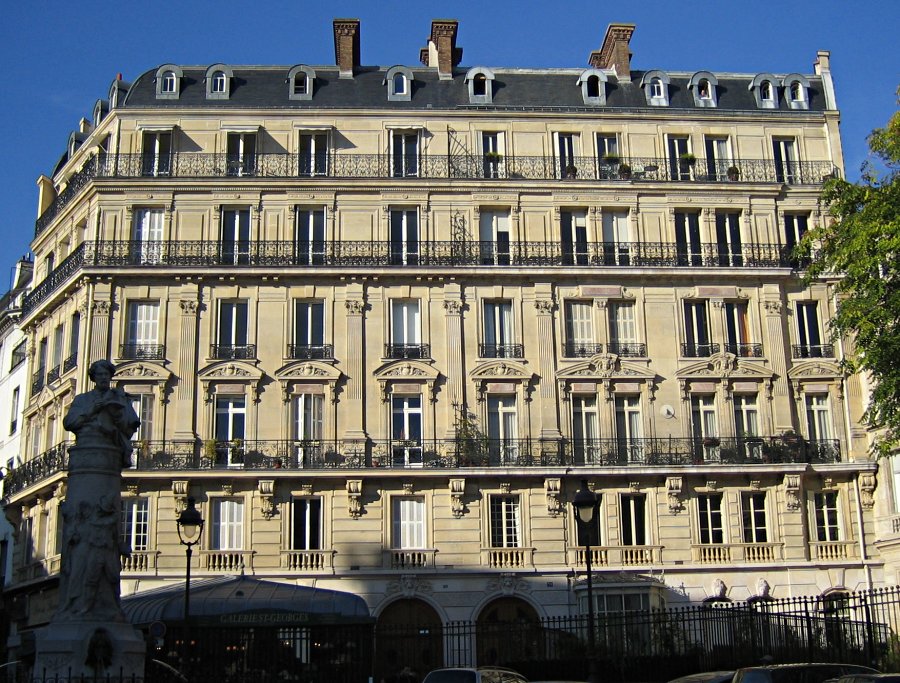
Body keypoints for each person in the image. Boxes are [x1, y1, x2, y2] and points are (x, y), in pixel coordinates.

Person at [63, 359, 140, 467]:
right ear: (94, 377)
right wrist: (91, 411)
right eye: (99, 374)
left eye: (106, 374)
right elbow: (69, 423)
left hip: (110, 449)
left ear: (110, 376)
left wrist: (117, 415)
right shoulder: (82, 399)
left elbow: (130, 426)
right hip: (85, 448)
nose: (103, 377)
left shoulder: (120, 398)